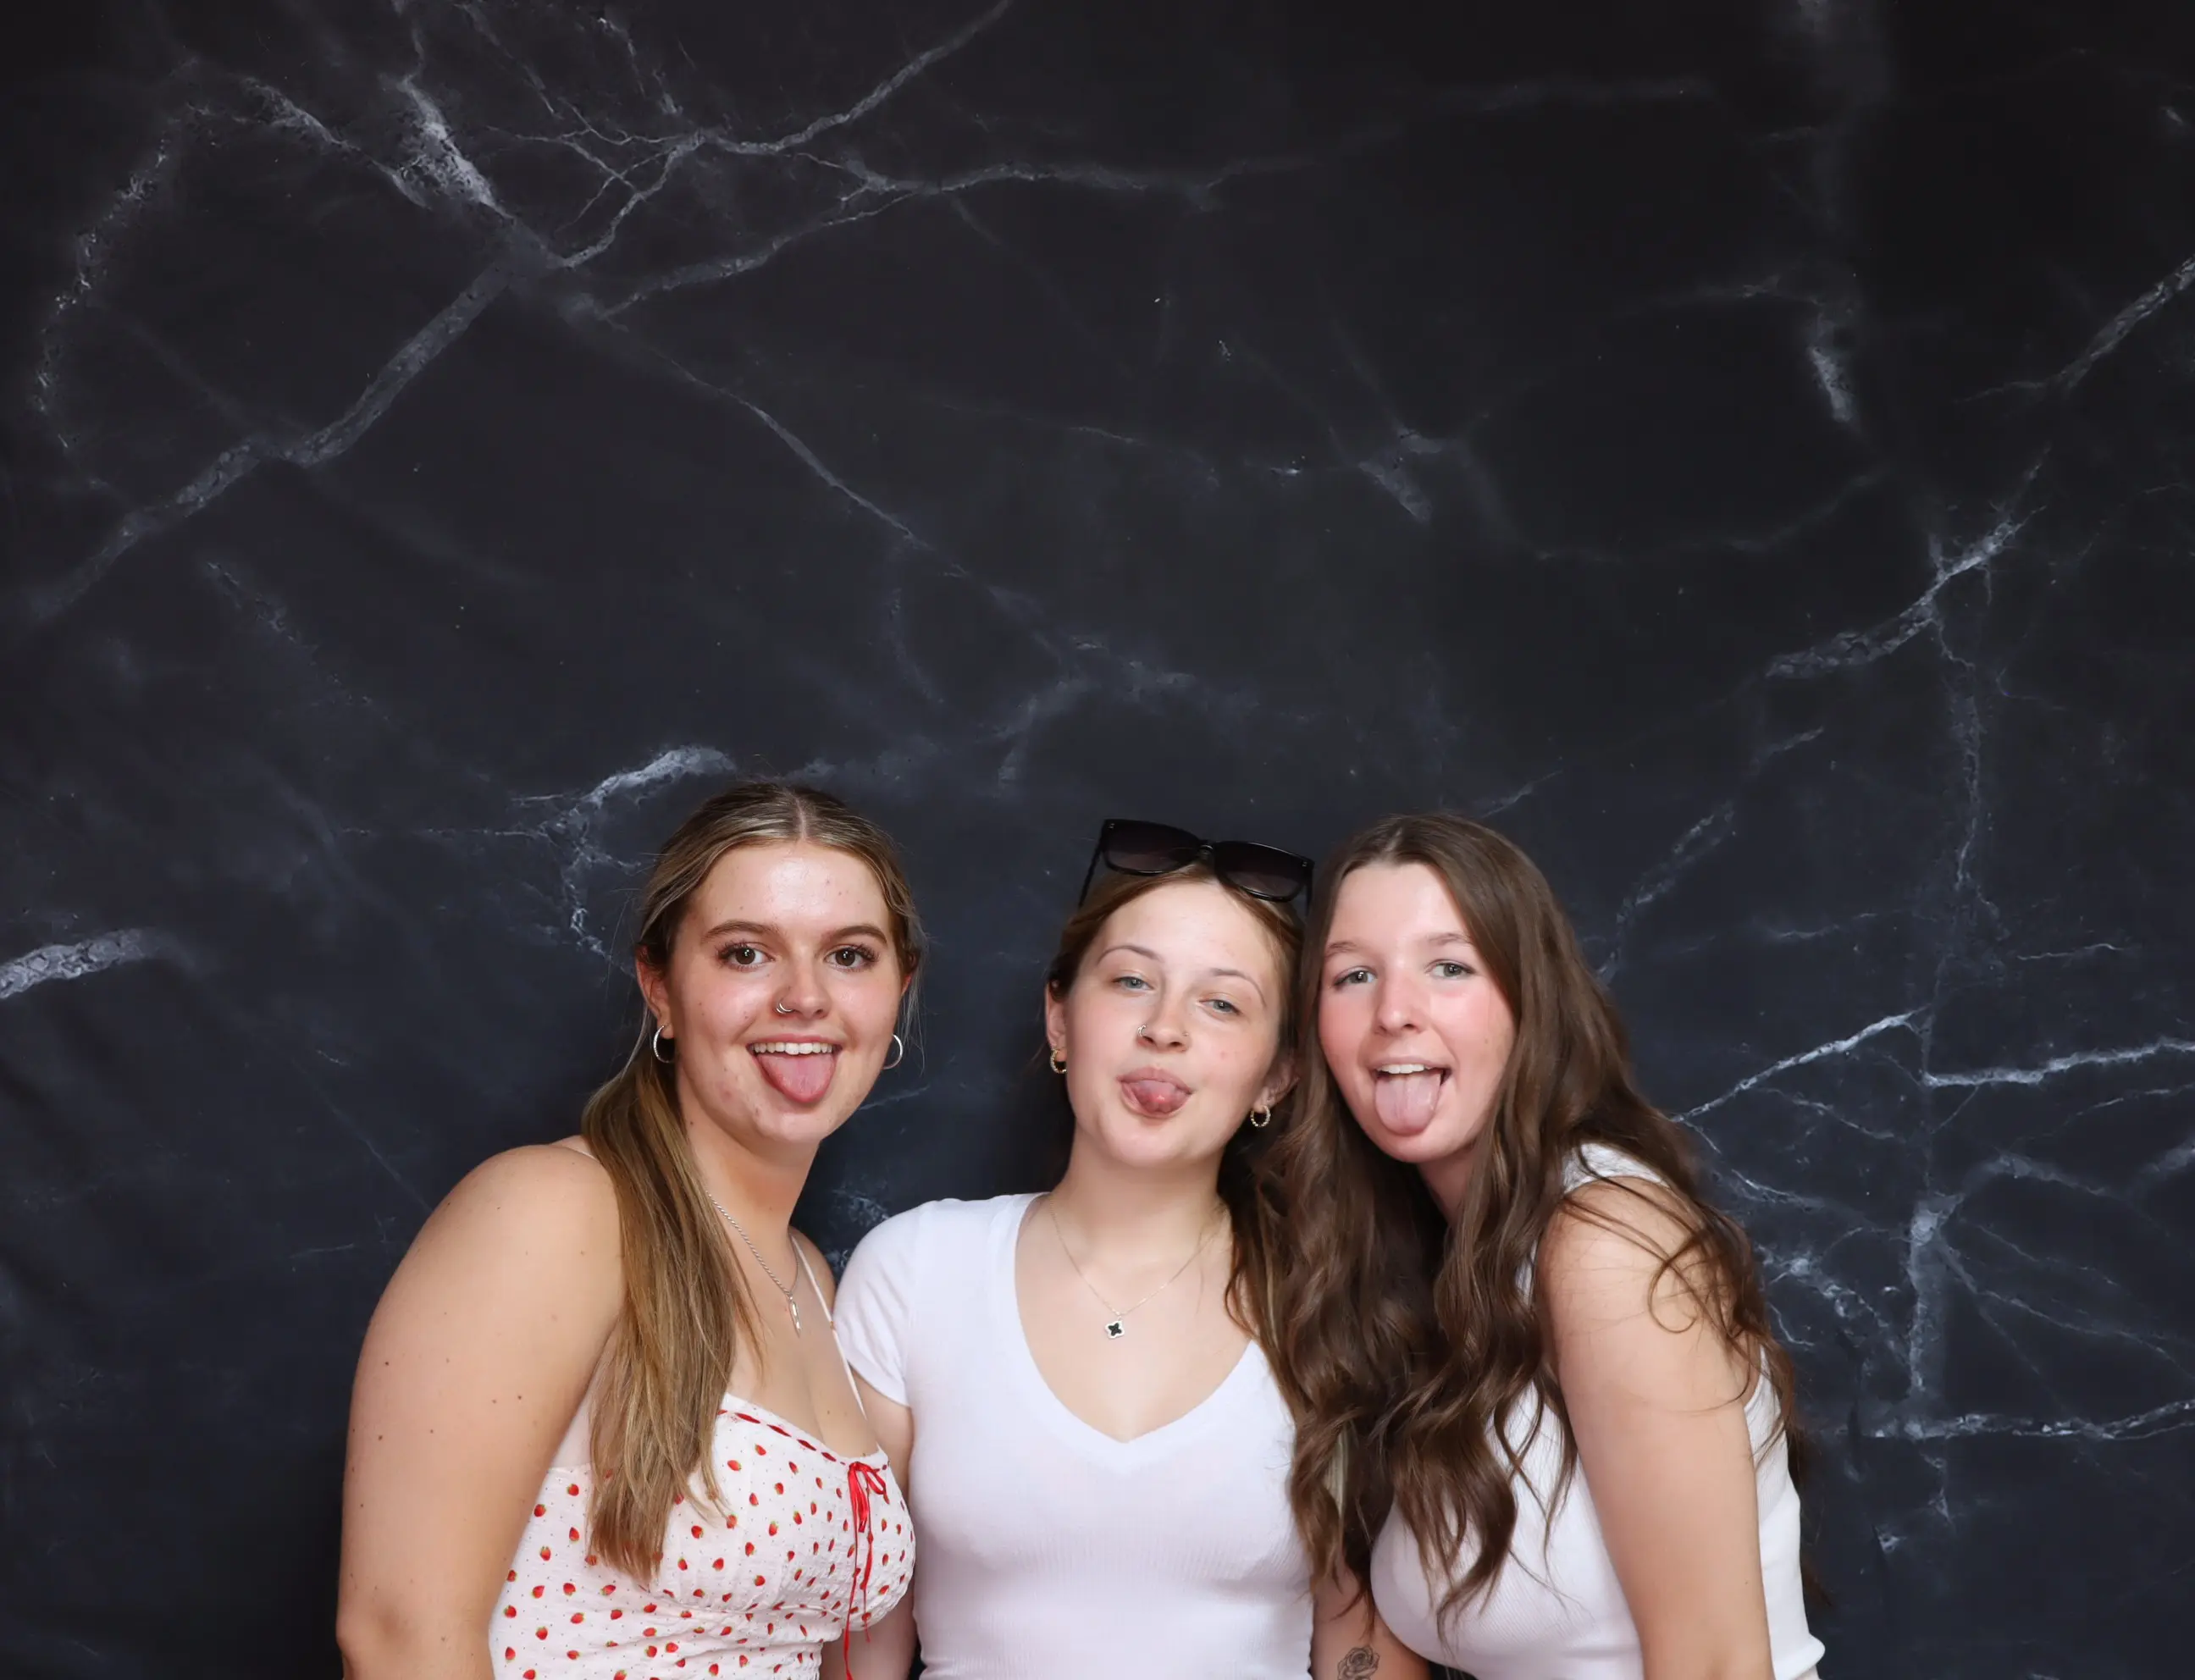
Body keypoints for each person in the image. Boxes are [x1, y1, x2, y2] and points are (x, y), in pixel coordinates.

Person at [337, 782, 922, 1680]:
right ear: (662, 987)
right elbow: (399, 1634)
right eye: (745, 953)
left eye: (849, 955)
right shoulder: (552, 1212)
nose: (805, 997)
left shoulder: (807, 1272)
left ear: (897, 993)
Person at [831, 820, 1424, 1680]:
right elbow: (859, 1635)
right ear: (1060, 1017)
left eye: (1222, 1001)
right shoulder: (916, 1270)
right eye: (1133, 981)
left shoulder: (1330, 1297)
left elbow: (1361, 1642)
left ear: (1277, 1074)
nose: (1165, 1027)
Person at [1268, 813, 1825, 1680]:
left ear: (1532, 1004)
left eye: (1449, 966)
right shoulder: (1399, 1267)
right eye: (1353, 975)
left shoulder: (1604, 1240)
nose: (1393, 1013)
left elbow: (1716, 1663)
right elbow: (1372, 1640)